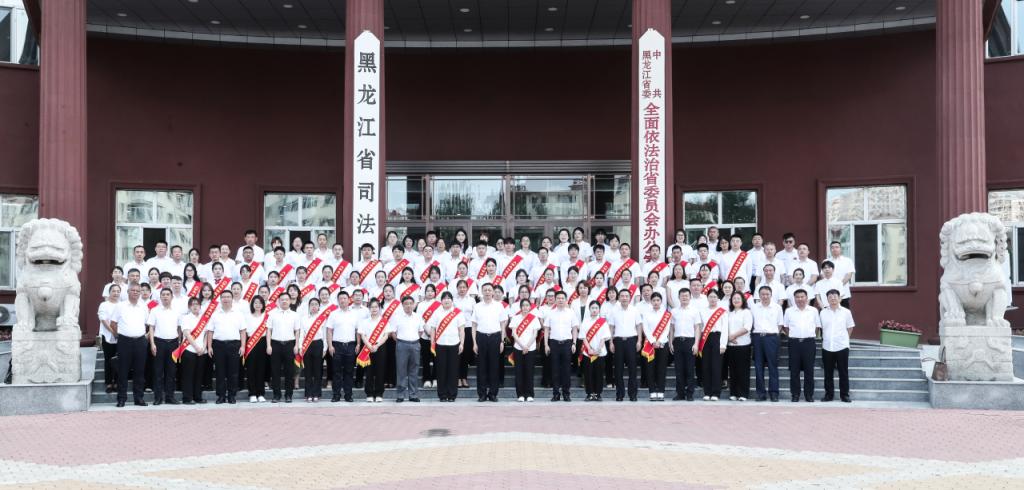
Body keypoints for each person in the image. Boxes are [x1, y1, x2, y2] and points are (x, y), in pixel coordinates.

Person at [110, 283, 149, 407]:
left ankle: (139, 398)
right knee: (123, 371)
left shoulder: (144, 307)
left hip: (140, 341)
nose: (135, 292)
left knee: (139, 371)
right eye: (133, 290)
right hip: (124, 341)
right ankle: (121, 399)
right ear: (127, 292)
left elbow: (146, 324)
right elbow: (113, 323)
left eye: (138, 291)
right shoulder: (120, 306)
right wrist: (119, 335)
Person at [206, 290, 246, 404]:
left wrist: (243, 346)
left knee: (233, 372)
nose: (226, 299)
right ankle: (221, 396)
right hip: (218, 345)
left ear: (232, 299)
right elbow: (210, 331)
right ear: (220, 299)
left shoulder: (238, 314)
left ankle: (232, 395)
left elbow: (243, 331)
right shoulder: (215, 314)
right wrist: (209, 347)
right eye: (223, 297)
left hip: (234, 345)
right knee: (220, 372)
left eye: (228, 297)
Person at [471, 283, 509, 402]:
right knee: (481, 367)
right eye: (485, 290)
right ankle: (482, 394)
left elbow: (503, 325)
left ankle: (493, 394)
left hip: (495, 337)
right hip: (481, 337)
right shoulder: (477, 306)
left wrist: (502, 341)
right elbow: (474, 326)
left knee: (494, 367)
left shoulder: (499, 306)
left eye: (489, 290)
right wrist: (474, 343)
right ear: (482, 292)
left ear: (493, 292)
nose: (487, 292)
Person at [783, 289, 821, 402]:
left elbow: (817, 326)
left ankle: (809, 395)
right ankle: (795, 394)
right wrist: (793, 336)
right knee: (794, 371)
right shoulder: (789, 311)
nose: (800, 299)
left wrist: (808, 336)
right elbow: (786, 327)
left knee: (809, 370)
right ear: (794, 299)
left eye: (802, 297)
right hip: (794, 343)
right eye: (797, 297)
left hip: (809, 343)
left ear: (806, 298)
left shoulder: (813, 310)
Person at [429, 292, 466, 402]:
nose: (446, 300)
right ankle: (442, 395)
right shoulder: (437, 313)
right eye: (444, 298)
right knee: (441, 371)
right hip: (440, 345)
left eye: (449, 298)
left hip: (454, 344)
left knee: (453, 371)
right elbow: (432, 329)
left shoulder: (458, 313)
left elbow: (461, 330)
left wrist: (462, 343)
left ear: (452, 300)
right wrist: (432, 343)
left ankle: (452, 395)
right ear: (441, 301)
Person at [819, 289, 855, 403]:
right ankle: (829, 395)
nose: (833, 298)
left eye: (835, 296)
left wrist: (844, 339)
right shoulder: (823, 312)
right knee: (828, 373)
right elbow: (821, 328)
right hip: (827, 346)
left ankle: (844, 395)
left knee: (843, 372)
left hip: (842, 346)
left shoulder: (846, 312)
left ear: (839, 298)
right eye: (830, 297)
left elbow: (850, 327)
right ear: (827, 299)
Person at [326, 292, 362, 402]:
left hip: (350, 345)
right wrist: (330, 345)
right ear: (338, 300)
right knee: (336, 372)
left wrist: (358, 344)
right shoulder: (333, 314)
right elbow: (329, 330)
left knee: (349, 372)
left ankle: (348, 395)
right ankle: (336, 395)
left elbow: (358, 330)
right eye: (340, 298)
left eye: (345, 298)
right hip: (337, 346)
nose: (343, 300)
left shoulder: (354, 314)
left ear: (349, 300)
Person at [147, 288, 181, 405]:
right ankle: (158, 398)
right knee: (158, 372)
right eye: (163, 295)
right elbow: (151, 328)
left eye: (167, 294)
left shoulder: (177, 311)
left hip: (173, 344)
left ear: (172, 297)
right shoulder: (155, 310)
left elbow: (179, 328)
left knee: (171, 371)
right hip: (159, 343)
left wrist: (179, 343)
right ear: (160, 297)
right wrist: (152, 344)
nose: (165, 296)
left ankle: (170, 397)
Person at [750, 286, 784, 402]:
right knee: (758, 367)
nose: (765, 296)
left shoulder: (777, 307)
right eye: (762, 294)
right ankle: (761, 393)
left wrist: (772, 335)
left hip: (771, 338)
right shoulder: (754, 307)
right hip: (757, 338)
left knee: (772, 366)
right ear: (759, 296)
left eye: (767, 294)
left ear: (771, 295)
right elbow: (751, 323)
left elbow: (780, 324)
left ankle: (774, 393)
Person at [544, 291, 579, 402]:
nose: (560, 300)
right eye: (558, 298)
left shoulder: (571, 313)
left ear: (566, 300)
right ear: (555, 300)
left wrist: (574, 343)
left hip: (567, 343)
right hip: (554, 343)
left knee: (566, 370)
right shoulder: (550, 313)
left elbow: (574, 329)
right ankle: (556, 394)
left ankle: (566, 393)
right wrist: (546, 345)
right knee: (554, 370)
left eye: (562, 298)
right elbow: (546, 329)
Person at [609, 288, 642, 402]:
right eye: (622, 296)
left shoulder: (635, 310)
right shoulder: (614, 311)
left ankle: (633, 394)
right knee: (618, 370)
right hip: (618, 341)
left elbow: (639, 326)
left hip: (631, 341)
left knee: (633, 369)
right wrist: (611, 342)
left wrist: (639, 341)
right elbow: (611, 327)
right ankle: (620, 394)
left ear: (630, 298)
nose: (624, 298)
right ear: (619, 298)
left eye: (626, 296)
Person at [391, 296, 424, 403]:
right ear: (402, 305)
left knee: (414, 370)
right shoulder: (397, 317)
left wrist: (414, 340)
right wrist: (400, 342)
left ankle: (413, 395)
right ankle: (400, 395)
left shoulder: (418, 317)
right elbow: (393, 332)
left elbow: (421, 331)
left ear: (414, 304)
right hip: (402, 344)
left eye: (410, 303)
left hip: (415, 344)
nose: (409, 305)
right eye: (406, 303)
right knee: (401, 371)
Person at [267, 294, 299, 402]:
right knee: (275, 371)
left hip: (290, 344)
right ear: (278, 301)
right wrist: (268, 345)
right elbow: (269, 330)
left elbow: (297, 331)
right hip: (275, 344)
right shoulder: (272, 314)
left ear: (290, 301)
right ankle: (276, 395)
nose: (284, 301)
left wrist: (296, 345)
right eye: (282, 300)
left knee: (289, 371)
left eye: (286, 299)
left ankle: (288, 395)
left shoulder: (295, 315)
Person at [669, 288, 700, 401]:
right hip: (677, 341)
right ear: (679, 297)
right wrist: (670, 342)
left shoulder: (694, 311)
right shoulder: (674, 311)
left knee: (690, 369)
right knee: (679, 369)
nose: (684, 297)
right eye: (682, 296)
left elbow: (697, 328)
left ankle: (690, 394)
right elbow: (672, 328)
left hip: (690, 341)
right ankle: (680, 393)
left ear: (690, 297)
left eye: (686, 295)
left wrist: (696, 344)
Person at [697, 289, 728, 401]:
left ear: (718, 298)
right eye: (710, 297)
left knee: (716, 366)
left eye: (715, 297)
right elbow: (700, 327)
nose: (713, 299)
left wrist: (723, 344)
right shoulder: (702, 311)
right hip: (705, 339)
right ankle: (707, 392)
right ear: (707, 298)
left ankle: (716, 392)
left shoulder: (722, 312)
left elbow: (725, 329)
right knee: (705, 366)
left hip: (717, 338)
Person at [509, 298, 541, 402]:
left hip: (531, 348)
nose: (525, 307)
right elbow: (514, 334)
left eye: (527, 305)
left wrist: (527, 346)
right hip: (518, 348)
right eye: (523, 305)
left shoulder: (534, 318)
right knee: (519, 372)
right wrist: (522, 346)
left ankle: (529, 394)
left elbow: (535, 334)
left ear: (530, 307)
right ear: (520, 307)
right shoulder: (515, 318)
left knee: (529, 371)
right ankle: (520, 394)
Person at [178, 297, 208, 404]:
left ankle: (197, 397)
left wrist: (204, 347)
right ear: (189, 307)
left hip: (202, 351)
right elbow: (187, 334)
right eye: (192, 304)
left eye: (197, 304)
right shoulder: (185, 318)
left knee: (199, 375)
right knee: (188, 375)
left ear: (200, 306)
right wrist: (197, 347)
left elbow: (206, 334)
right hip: (189, 350)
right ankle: (187, 397)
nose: (195, 306)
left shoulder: (204, 319)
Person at [725, 291, 753, 401]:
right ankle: (734, 393)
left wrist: (732, 336)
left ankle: (743, 394)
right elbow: (725, 327)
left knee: (743, 370)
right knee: (732, 370)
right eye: (734, 298)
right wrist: (729, 338)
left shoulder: (746, 312)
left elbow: (747, 328)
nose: (736, 300)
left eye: (738, 298)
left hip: (743, 345)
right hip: (731, 345)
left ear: (742, 300)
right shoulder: (729, 313)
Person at [244, 296, 269, 403]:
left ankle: (260, 393)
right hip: (250, 343)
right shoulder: (247, 316)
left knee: (261, 369)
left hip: (263, 343)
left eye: (260, 303)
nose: (258, 305)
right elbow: (244, 332)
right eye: (255, 303)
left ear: (263, 305)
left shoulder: (267, 316)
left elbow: (269, 331)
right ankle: (252, 393)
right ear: (252, 304)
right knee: (251, 369)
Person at [98, 284, 121, 393]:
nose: (116, 293)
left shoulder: (122, 305)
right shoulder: (104, 305)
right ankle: (108, 383)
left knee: (118, 360)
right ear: (109, 292)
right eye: (113, 291)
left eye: (118, 291)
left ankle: (116, 382)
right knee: (108, 359)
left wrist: (118, 333)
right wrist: (113, 332)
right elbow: (103, 320)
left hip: (120, 336)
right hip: (107, 335)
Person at [827, 241, 856, 308]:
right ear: (830, 249)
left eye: (837, 247)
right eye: (832, 247)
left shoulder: (848, 261)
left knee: (844, 312)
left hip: (843, 293)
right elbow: (823, 276)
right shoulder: (826, 261)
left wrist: (838, 286)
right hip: (829, 293)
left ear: (841, 249)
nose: (834, 249)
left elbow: (848, 275)